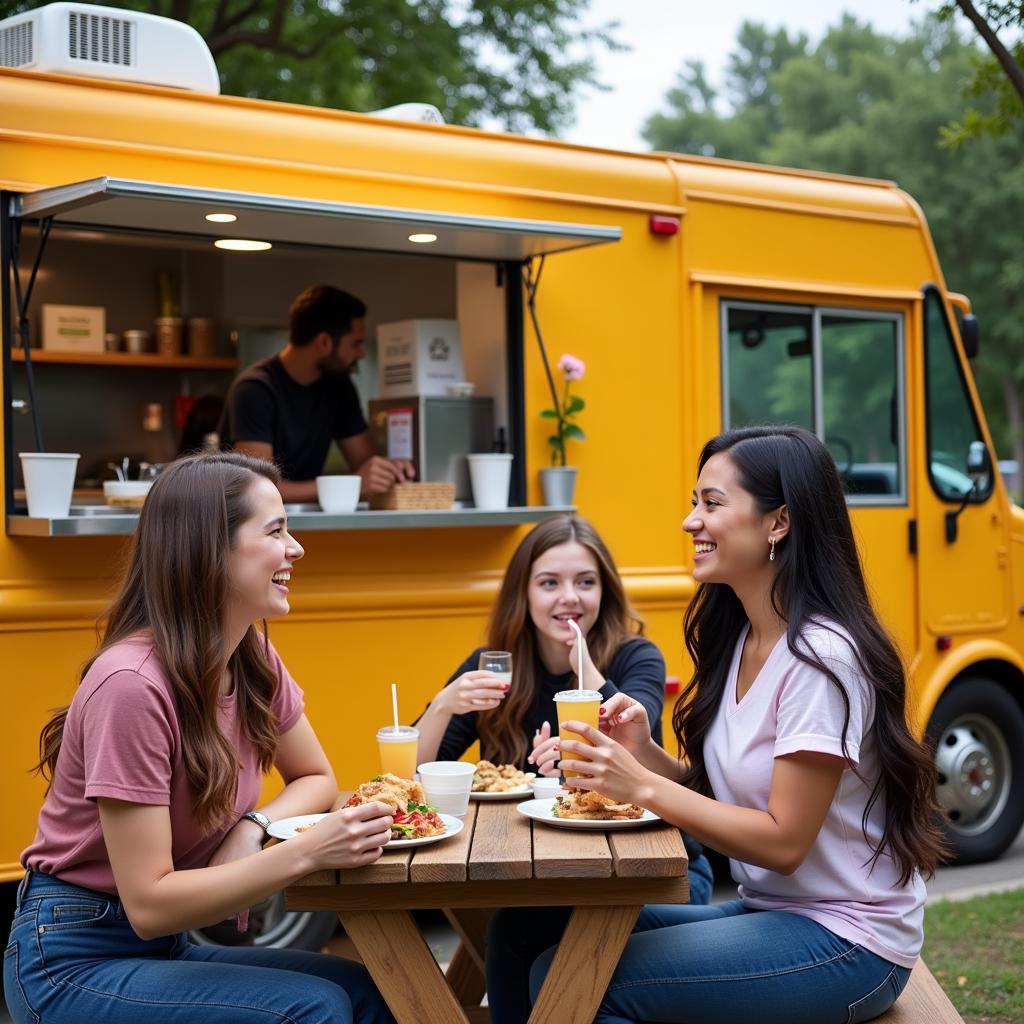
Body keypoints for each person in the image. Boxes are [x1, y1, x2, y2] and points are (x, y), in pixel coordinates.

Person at [505, 425, 946, 1024]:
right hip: (771, 911)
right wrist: (646, 756)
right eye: (695, 503)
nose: (691, 521)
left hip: (848, 941)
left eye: (712, 503)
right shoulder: (743, 636)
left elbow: (782, 841)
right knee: (524, 930)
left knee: (580, 982)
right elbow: (728, 802)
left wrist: (640, 786)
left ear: (778, 522)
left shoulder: (823, 657)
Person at [3, 453, 396, 1024]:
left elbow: (316, 778)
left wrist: (252, 828)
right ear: (211, 550)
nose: (297, 549)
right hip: (73, 960)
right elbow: (149, 904)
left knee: (372, 990)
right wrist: (305, 851)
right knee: (313, 1008)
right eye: (277, 530)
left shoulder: (251, 654)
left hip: (160, 949)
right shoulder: (131, 686)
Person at [413, 515, 714, 1024]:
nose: (568, 597)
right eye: (550, 583)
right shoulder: (498, 666)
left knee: (524, 931)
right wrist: (444, 704)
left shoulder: (637, 655)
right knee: (515, 927)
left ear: (605, 591)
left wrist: (584, 665)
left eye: (585, 582)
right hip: (538, 873)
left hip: (655, 872)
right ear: (523, 593)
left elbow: (631, 725)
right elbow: (419, 771)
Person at [219, 284, 414, 501]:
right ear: (324, 342)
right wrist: (346, 487)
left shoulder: (339, 387)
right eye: (355, 343)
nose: (361, 353)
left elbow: (366, 463)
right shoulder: (255, 389)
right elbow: (257, 486)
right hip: (255, 529)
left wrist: (389, 470)